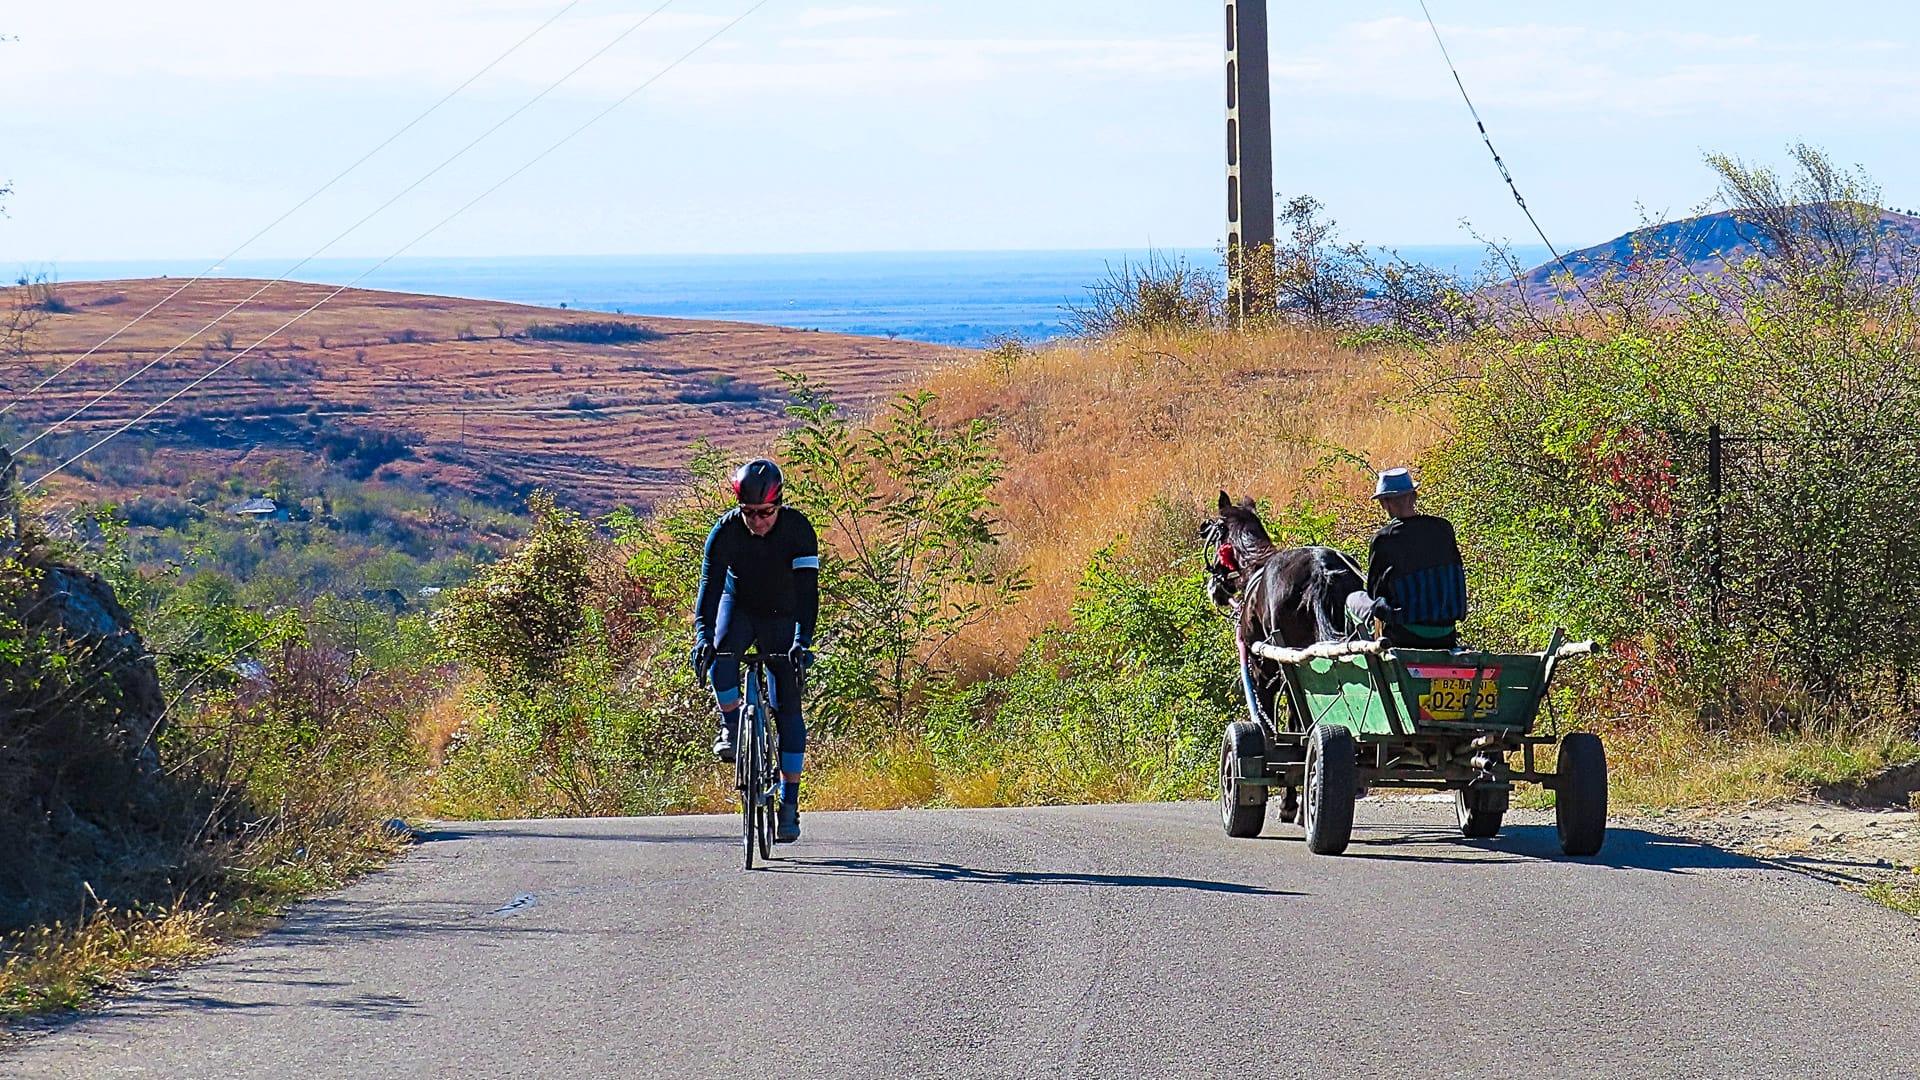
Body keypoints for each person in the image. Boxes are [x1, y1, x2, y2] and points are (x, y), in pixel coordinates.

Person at [691, 459, 820, 843]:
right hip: (741, 605)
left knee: (788, 706)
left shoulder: (798, 530)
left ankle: (789, 803)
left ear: (779, 504)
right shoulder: (726, 531)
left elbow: (808, 595)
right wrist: (701, 637)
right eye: (749, 513)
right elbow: (710, 589)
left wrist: (802, 642)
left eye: (766, 513)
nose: (758, 521)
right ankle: (732, 725)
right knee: (720, 652)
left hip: (783, 615)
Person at [1350, 467, 1466, 649]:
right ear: (1414, 497)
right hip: (1446, 633)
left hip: (1405, 635)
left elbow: (1374, 593)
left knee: (1353, 599)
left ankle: (1366, 658)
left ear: (1384, 504)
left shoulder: (1384, 539)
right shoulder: (1443, 528)